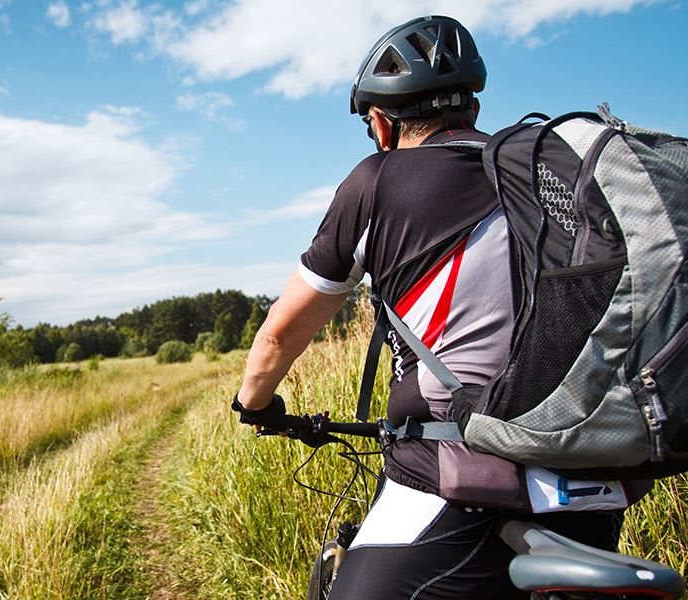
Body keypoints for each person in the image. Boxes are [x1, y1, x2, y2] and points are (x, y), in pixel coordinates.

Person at [231, 15, 625, 599]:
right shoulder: (550, 176)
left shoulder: (377, 182)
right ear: (470, 109)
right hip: (594, 476)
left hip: (455, 477)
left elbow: (279, 336)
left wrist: (254, 403)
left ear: (384, 124)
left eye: (370, 126)